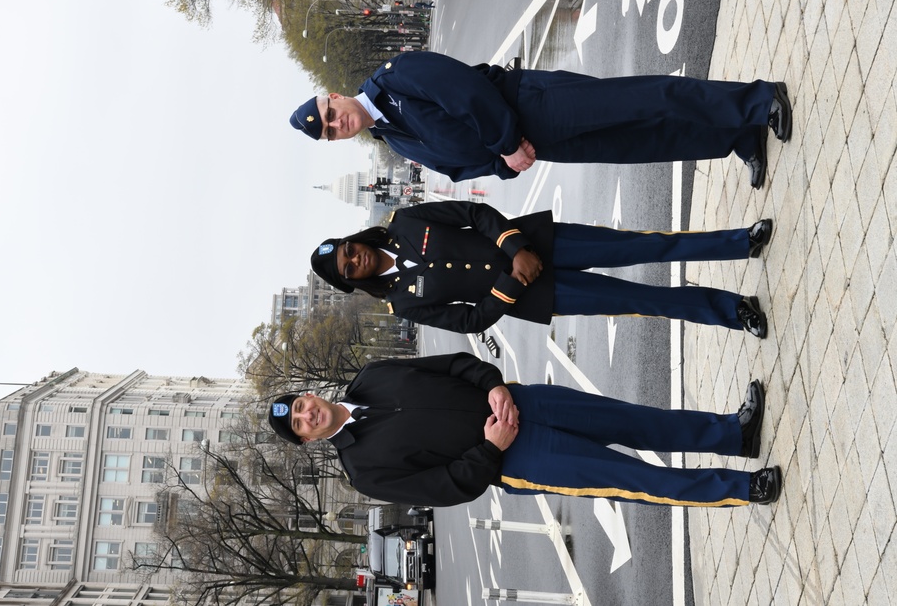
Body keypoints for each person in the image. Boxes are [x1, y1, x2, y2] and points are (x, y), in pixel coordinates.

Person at [266, 352, 783, 507]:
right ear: (309, 440)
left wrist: (491, 384)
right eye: (300, 424)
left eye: (300, 404)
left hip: (524, 401)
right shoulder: (363, 471)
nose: (307, 413)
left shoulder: (372, 376)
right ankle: (744, 490)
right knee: (638, 480)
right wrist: (490, 450)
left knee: (639, 420)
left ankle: (733, 435)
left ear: (308, 395)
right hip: (518, 457)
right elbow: (446, 488)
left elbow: (452, 365)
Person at [288, 51, 792, 187]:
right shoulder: (392, 141)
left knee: (647, 100)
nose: (338, 123)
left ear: (334, 95)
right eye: (331, 131)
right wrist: (508, 165)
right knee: (641, 144)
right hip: (533, 144)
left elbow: (463, 92)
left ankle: (756, 100)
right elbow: (456, 169)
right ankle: (735, 135)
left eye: (330, 114)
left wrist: (507, 140)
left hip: (532, 104)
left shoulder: (394, 77)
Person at [309, 200, 772, 337]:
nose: (355, 259)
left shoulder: (404, 221)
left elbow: (472, 215)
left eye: (349, 250)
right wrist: (510, 284)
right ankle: (735, 312)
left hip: (540, 243)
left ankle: (738, 242)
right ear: (352, 282)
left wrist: (514, 247)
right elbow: (469, 321)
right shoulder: (402, 302)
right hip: (535, 295)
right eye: (348, 268)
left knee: (644, 247)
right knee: (638, 300)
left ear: (353, 240)